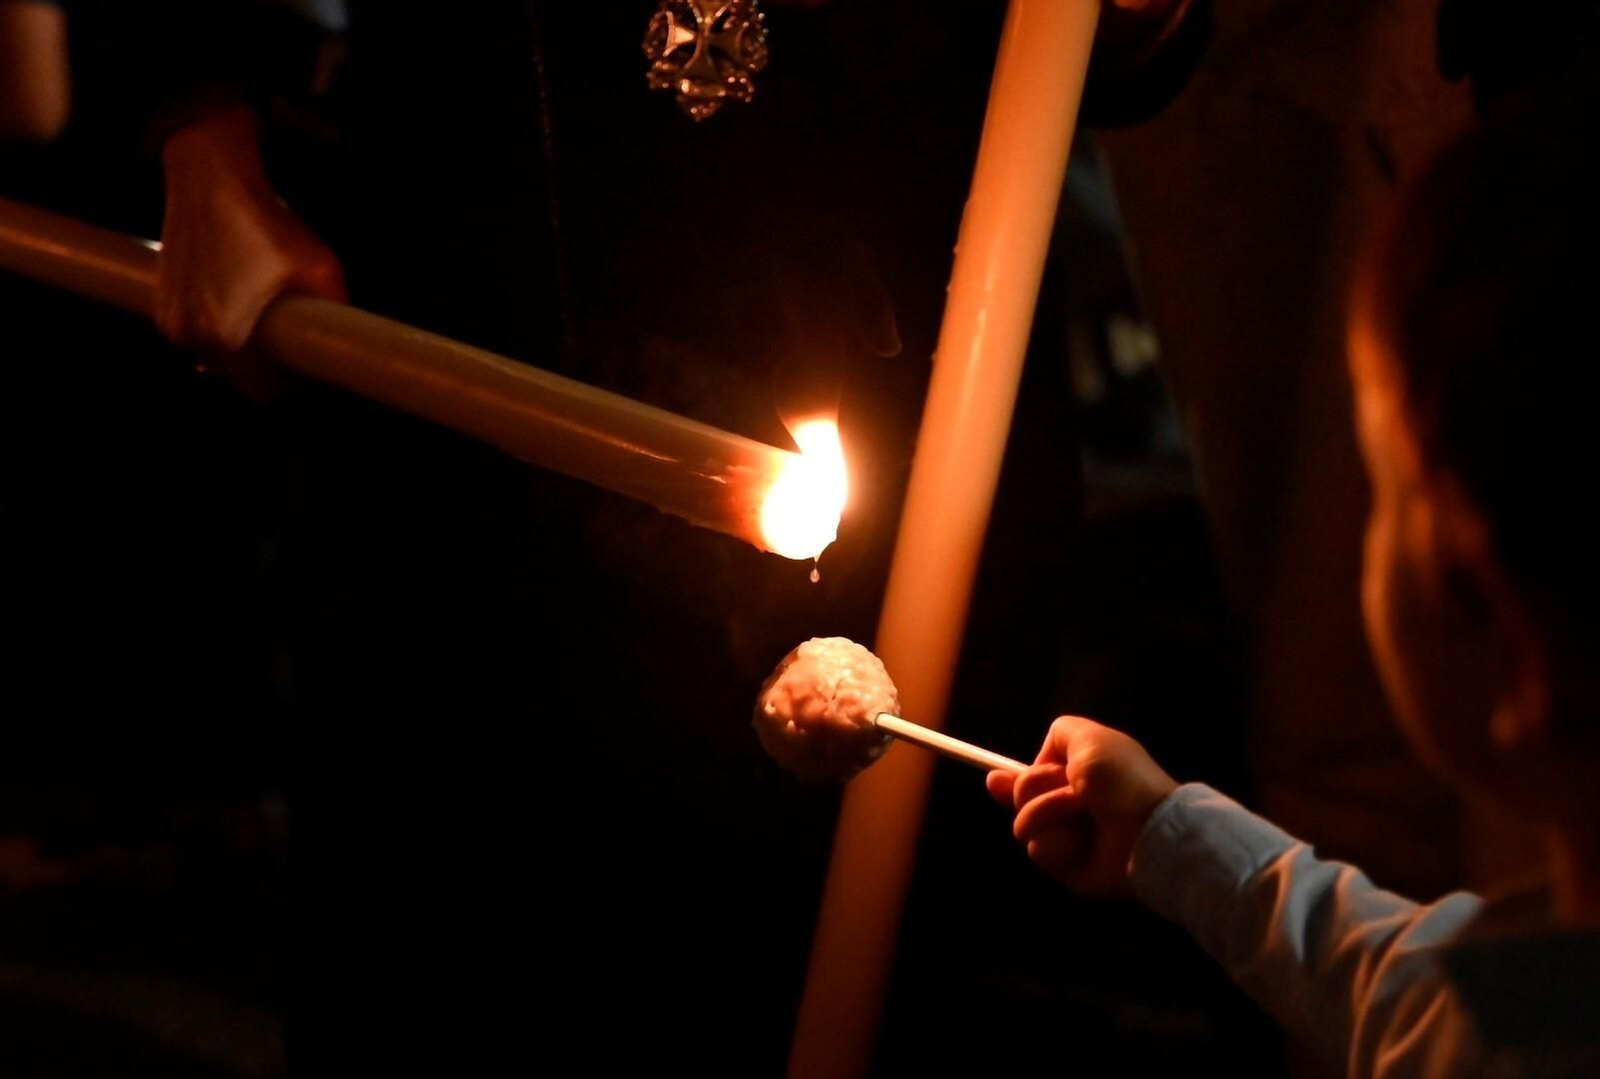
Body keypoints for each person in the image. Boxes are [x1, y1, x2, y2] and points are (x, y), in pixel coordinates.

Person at [989, 62, 1600, 1077]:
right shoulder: (1551, 973)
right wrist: (1168, 831)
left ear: (1475, 604)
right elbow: (1402, 980)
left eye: (1386, 486)